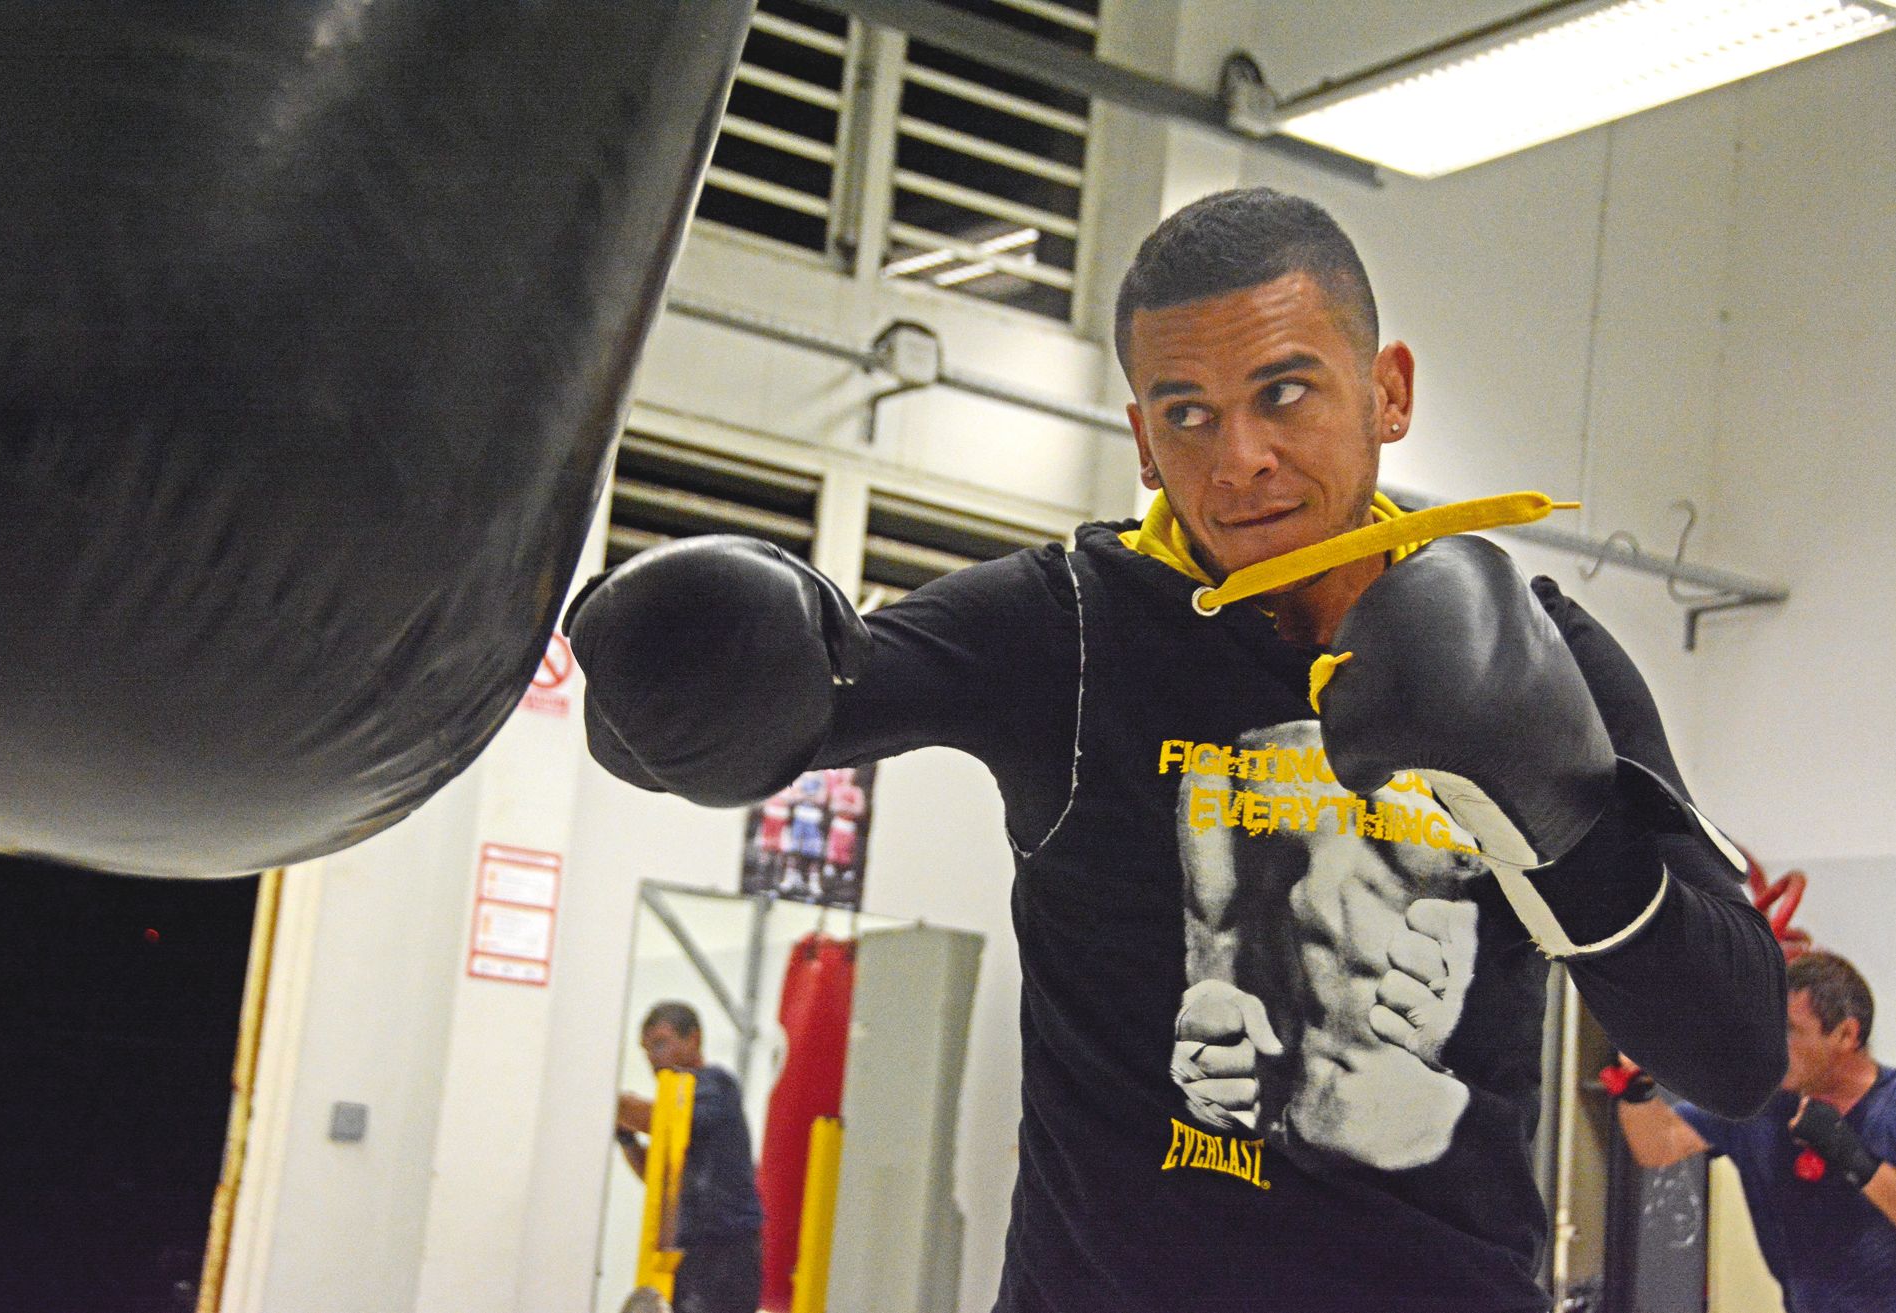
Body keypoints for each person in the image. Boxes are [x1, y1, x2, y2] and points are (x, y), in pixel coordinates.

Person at [572, 187, 1788, 1311]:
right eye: (1187, 414)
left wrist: (1559, 821)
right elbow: (803, 696)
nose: (1239, 457)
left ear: (1390, 391)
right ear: (1142, 439)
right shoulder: (1068, 625)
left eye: (1285, 392)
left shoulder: (1537, 650)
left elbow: (1734, 1054)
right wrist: (691, 664)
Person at [1612, 951, 1896, 1311]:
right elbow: (1659, 1145)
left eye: (1790, 1030)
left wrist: (1848, 1153)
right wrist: (1637, 1087)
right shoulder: (1762, 1106)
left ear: (1845, 1034)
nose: (1775, 1044)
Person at [615, 1002, 764, 1313]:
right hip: (690, 1249)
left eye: (661, 1044)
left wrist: (614, 1102)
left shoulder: (715, 1086)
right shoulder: (678, 1104)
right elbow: (657, 1177)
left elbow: (664, 1119)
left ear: (693, 1038)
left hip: (726, 1248)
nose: (653, 1058)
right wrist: (627, 1139)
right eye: (647, 1050)